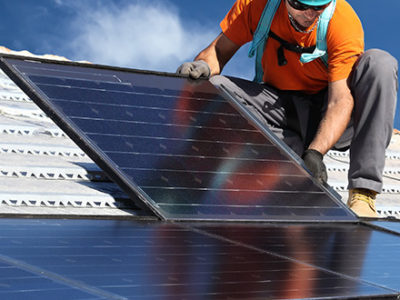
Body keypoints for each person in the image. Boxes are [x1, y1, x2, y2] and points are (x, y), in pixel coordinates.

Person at [177, 0, 398, 217]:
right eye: (301, 5)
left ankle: (363, 193)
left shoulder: (342, 22)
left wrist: (316, 152)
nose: (309, 14)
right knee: (217, 87)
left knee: (380, 64)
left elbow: (340, 100)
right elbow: (218, 51)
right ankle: (195, 180)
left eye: (318, 7)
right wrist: (204, 67)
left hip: (330, 116)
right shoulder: (256, 6)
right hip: (281, 111)